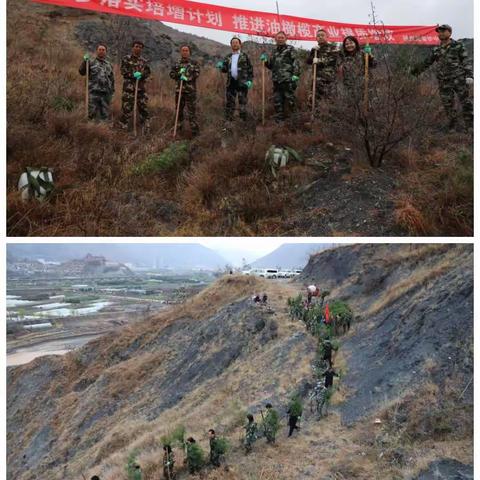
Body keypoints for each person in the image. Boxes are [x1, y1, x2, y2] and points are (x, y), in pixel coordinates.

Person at [411, 24, 473, 132]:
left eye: (443, 31)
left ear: (449, 32)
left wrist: (469, 75)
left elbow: (466, 61)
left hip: (459, 79)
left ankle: (471, 126)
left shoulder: (458, 45)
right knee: (448, 105)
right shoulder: (436, 49)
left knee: (466, 103)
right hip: (444, 81)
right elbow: (427, 62)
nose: (440, 33)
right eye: (439, 31)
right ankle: (452, 127)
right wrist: (415, 72)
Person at [262, 31, 301, 122]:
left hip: (288, 79)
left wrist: (296, 75)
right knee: (277, 101)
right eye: (278, 37)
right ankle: (279, 121)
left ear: (285, 39)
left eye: (282, 37)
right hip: (277, 80)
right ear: (275, 39)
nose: (280, 39)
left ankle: (295, 120)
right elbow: (271, 66)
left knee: (290, 100)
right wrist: (265, 62)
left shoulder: (290, 49)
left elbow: (296, 62)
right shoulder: (274, 51)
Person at [217, 37, 254, 122]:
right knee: (230, 103)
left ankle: (243, 123)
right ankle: (229, 123)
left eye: (236, 42)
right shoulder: (228, 57)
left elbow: (250, 69)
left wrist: (250, 80)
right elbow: (224, 69)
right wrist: (221, 66)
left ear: (240, 44)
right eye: (233, 43)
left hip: (242, 83)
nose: (235, 44)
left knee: (242, 103)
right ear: (231, 45)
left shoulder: (244, 56)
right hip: (231, 83)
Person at [119, 40, 151, 132]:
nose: (138, 48)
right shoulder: (126, 59)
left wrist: (141, 75)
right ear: (133, 47)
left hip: (141, 89)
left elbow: (148, 72)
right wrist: (133, 75)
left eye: (140, 47)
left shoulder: (144, 61)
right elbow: (123, 71)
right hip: (129, 89)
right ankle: (122, 130)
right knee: (126, 110)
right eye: (136, 46)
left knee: (144, 110)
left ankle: (145, 131)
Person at [169, 45, 200, 136]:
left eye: (187, 50)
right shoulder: (177, 63)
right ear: (181, 52)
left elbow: (197, 74)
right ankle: (178, 131)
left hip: (190, 91)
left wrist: (187, 77)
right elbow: (171, 74)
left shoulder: (194, 63)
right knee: (179, 111)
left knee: (192, 112)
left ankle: (195, 133)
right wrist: (179, 74)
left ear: (189, 52)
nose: (185, 52)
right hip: (179, 91)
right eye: (183, 50)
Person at [79, 43, 115, 121]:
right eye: (100, 49)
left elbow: (112, 79)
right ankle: (90, 129)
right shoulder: (90, 62)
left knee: (105, 115)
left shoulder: (109, 65)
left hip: (105, 94)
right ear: (96, 51)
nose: (101, 51)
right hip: (93, 92)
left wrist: (112, 92)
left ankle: (103, 129)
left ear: (106, 52)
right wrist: (85, 62)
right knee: (91, 113)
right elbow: (81, 72)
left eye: (103, 50)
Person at [306, 29, 339, 112]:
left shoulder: (333, 48)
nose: (320, 37)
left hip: (329, 79)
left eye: (322, 35)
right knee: (313, 99)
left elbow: (334, 59)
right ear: (316, 38)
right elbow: (309, 61)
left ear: (327, 37)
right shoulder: (316, 49)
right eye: (318, 35)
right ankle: (314, 119)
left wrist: (320, 60)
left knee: (330, 100)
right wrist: (312, 51)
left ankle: (329, 121)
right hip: (316, 79)